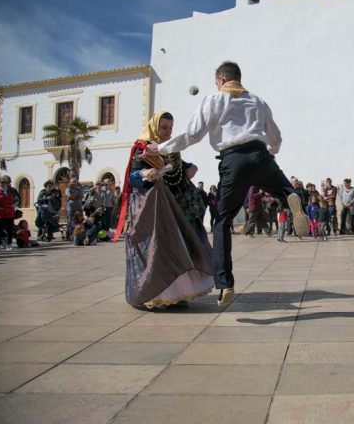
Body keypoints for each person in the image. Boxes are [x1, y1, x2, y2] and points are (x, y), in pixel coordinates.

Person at [145, 62, 309, 307]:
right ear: (238, 78)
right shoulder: (258, 102)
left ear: (221, 79)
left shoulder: (214, 99)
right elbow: (275, 137)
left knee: (222, 220)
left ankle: (225, 283)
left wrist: (162, 148)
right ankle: (290, 196)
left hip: (233, 161)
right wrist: (271, 152)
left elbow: (193, 134)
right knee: (287, 189)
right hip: (260, 154)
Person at [116, 111, 215, 309]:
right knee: (158, 250)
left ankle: (178, 295)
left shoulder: (170, 146)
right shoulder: (142, 148)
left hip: (178, 205)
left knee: (183, 248)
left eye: (170, 128)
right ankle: (153, 295)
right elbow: (132, 177)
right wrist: (145, 173)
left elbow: (176, 165)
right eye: (164, 128)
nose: (168, 132)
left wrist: (190, 167)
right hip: (155, 208)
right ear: (154, 127)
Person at [0, 175, 20, 251]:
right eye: (2, 182)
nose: (4, 184)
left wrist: (14, 205)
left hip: (10, 214)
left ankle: (9, 244)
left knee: (9, 230)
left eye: (6, 182)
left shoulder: (11, 191)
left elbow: (17, 200)